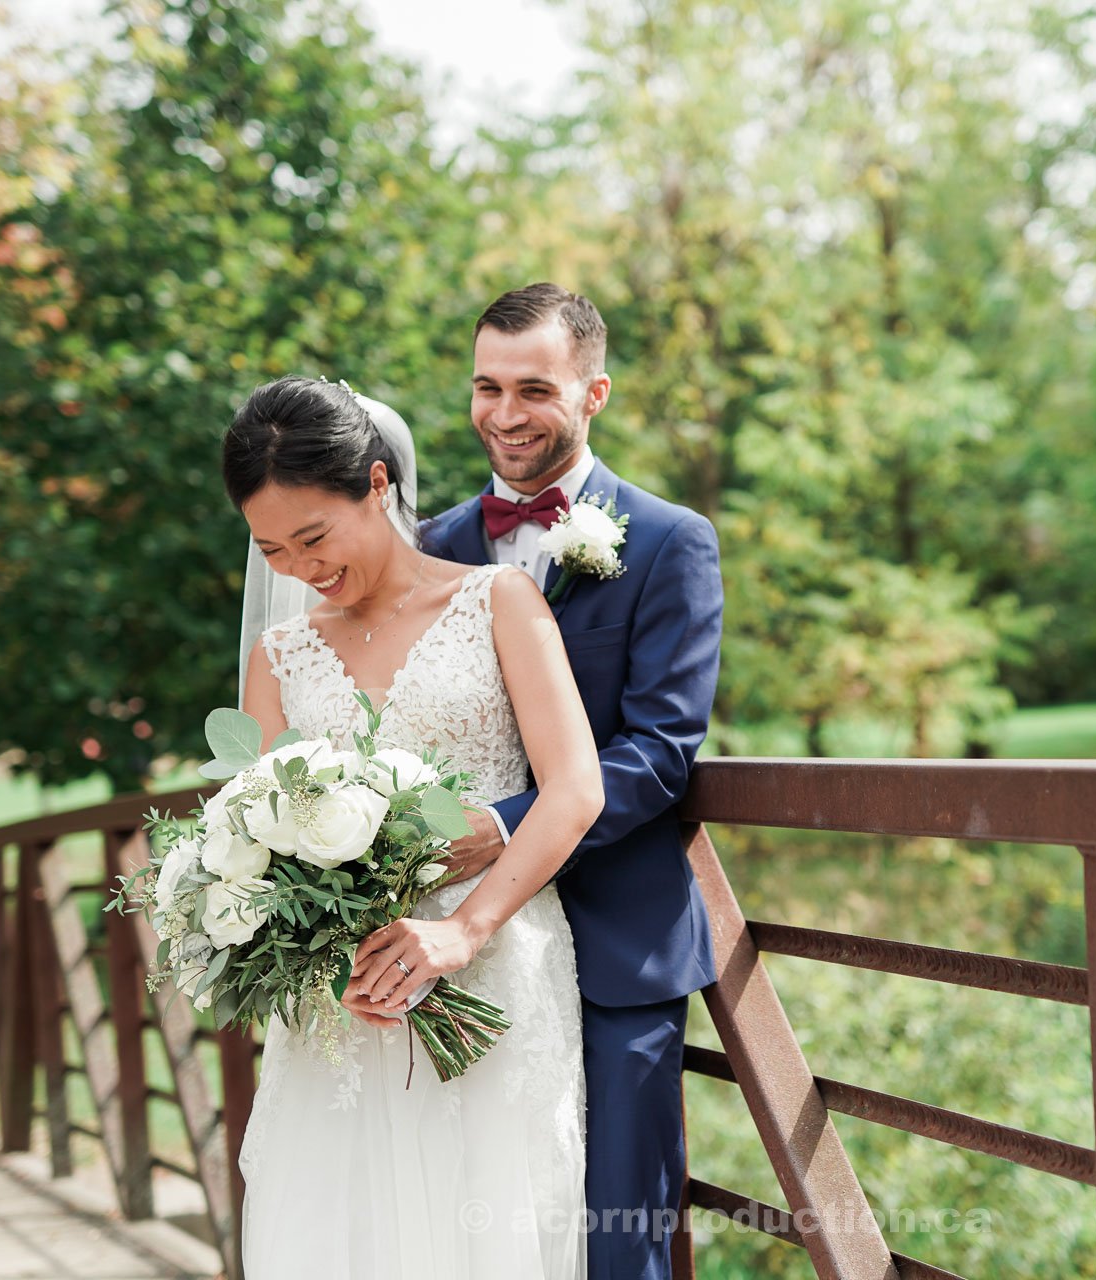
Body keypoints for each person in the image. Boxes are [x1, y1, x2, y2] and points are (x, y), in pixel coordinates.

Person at [224, 375, 604, 1278]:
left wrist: (463, 930)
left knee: (491, 1230)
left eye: (314, 536)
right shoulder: (278, 655)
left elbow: (575, 789)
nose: (301, 568)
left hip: (492, 970)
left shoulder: (498, 601)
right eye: (271, 549)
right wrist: (314, 956)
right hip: (344, 1005)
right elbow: (259, 841)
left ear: (380, 485)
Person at [406, 283, 724, 1280]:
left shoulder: (671, 540)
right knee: (482, 1219)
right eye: (486, 386)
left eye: (534, 389)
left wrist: (503, 825)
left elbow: (661, 749)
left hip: (618, 941)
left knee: (620, 1233)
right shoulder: (431, 550)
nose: (504, 413)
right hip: (473, 944)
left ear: (594, 394)